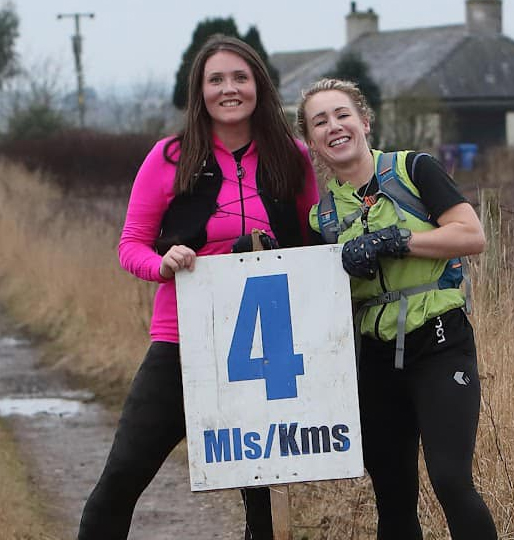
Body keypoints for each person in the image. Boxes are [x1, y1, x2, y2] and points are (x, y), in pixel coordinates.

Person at [77, 34, 319, 540]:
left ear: (259, 85)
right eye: (216, 80)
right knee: (122, 477)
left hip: (268, 349)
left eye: (240, 78)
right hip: (183, 341)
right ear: (199, 91)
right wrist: (162, 264)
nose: (229, 89)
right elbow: (131, 245)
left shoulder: (293, 157)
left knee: (264, 500)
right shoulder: (169, 157)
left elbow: (314, 238)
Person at [295, 78, 497, 540]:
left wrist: (397, 241)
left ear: (365, 122)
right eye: (320, 122)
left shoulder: (413, 169)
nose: (334, 126)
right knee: (392, 495)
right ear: (311, 143)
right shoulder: (321, 217)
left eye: (342, 114)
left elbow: (471, 235)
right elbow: (316, 296)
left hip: (439, 341)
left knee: (450, 480)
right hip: (376, 355)